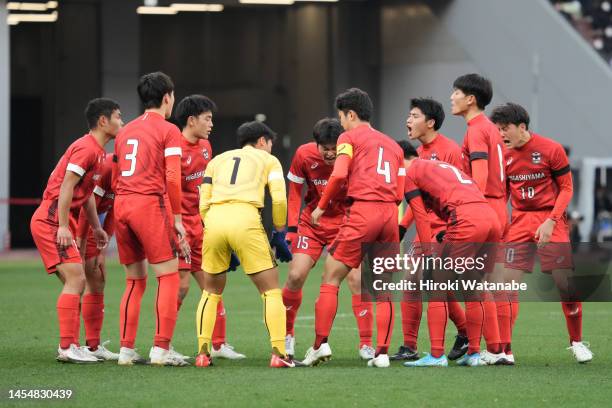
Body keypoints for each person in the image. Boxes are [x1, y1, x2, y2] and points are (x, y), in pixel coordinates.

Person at [301, 88, 405, 368]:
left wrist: (321, 206)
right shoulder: (393, 145)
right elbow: (402, 187)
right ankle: (382, 354)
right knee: (383, 287)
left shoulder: (349, 137)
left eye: (342, 118)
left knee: (331, 276)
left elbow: (339, 173)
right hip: (390, 213)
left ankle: (319, 345)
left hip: (364, 211)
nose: (342, 124)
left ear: (350, 114)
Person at [490, 102, 593, 363]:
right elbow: (502, 194)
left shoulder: (551, 149)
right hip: (520, 220)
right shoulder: (503, 154)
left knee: (565, 285)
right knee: (505, 285)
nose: (501, 134)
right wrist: (498, 224)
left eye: (506, 129)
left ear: (522, 127)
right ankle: (505, 351)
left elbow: (567, 188)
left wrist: (551, 221)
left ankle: (577, 342)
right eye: (498, 129)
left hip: (551, 218)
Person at [195, 121, 293, 368]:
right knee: (270, 290)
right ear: (262, 141)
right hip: (246, 217)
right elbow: (279, 199)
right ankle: (280, 354)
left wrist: (216, 229)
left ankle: (202, 354)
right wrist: (280, 231)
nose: (271, 148)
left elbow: (203, 201)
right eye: (270, 143)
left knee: (211, 291)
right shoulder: (268, 160)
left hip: (214, 220)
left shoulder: (216, 160)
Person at [30, 97, 121, 363]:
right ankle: (67, 347)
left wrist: (96, 227)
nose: (121, 122)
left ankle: (79, 345)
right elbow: (67, 185)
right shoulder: (86, 148)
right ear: (103, 121)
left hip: (61, 218)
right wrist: (61, 225)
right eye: (118, 116)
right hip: (51, 218)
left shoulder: (98, 153)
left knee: (80, 281)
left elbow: (88, 194)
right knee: (77, 279)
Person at [399, 141, 501, 367]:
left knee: (436, 286)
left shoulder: (409, 172)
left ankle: (436, 355)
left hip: (466, 219)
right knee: (471, 287)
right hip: (490, 218)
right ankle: (474, 353)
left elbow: (421, 216)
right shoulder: (440, 166)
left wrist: (427, 254)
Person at [113, 71, 190, 366]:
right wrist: (178, 218)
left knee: (134, 281)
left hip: (122, 204)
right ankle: (161, 349)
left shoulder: (126, 131)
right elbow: (172, 175)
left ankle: (125, 350)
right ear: (167, 97)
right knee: (168, 276)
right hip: (148, 204)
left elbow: (116, 170)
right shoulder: (168, 130)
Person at [284, 118, 373, 360]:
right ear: (317, 145)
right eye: (326, 148)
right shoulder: (303, 155)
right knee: (295, 275)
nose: (331, 153)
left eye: (335, 148)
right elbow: (294, 193)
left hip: (345, 224)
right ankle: (287, 335)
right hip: (311, 223)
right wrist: (291, 229)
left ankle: (366, 344)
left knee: (356, 279)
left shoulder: (352, 155)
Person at [392, 97, 468, 362]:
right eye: (409, 115)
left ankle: (463, 338)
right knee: (413, 284)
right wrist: (402, 227)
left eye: (414, 115)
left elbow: (462, 192)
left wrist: (451, 228)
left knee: (437, 287)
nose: (408, 120)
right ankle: (410, 346)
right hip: (427, 231)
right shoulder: (421, 155)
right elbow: (418, 202)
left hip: (447, 230)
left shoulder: (450, 151)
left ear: (431, 122)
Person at [173, 94, 245, 360]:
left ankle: (218, 344)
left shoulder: (205, 146)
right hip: (179, 225)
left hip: (202, 223)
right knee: (180, 287)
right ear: (191, 120)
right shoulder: (174, 149)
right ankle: (163, 343)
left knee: (212, 284)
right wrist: (174, 224)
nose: (211, 124)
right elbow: (167, 191)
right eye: (207, 118)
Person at [450, 73, 507, 364]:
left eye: (456, 92)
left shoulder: (475, 130)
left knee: (463, 279)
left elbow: (481, 176)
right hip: (498, 209)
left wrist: (473, 209)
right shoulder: (491, 129)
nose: (452, 97)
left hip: (481, 208)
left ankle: (478, 348)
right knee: (480, 281)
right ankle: (497, 349)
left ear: (471, 99)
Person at [75, 152, 119, 360]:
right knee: (76, 282)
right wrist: (80, 249)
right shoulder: (107, 167)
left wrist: (102, 252)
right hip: (73, 224)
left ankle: (92, 345)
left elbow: (113, 212)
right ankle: (70, 345)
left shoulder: (128, 170)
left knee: (98, 279)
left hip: (93, 227)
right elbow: (85, 208)